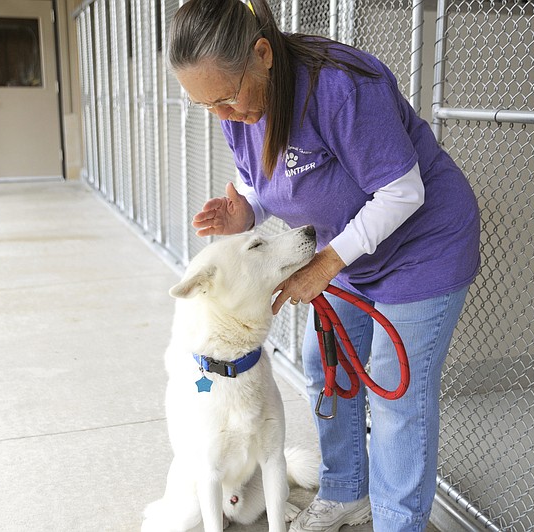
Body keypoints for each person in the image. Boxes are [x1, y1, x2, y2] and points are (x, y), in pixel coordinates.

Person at [167, 0, 480, 530]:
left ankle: (397, 522)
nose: (222, 115)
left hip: (421, 244)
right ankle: (344, 491)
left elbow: (402, 192)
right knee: (327, 367)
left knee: (395, 391)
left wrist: (327, 263)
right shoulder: (237, 106)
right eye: (208, 106)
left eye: (224, 99)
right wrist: (243, 210)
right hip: (349, 250)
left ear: (262, 54)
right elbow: (260, 184)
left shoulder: (339, 87)